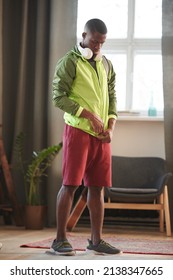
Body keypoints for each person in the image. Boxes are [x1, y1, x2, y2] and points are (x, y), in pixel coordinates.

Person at [50, 18, 121, 256]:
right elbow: (58, 97)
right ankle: (59, 240)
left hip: (101, 136)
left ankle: (96, 240)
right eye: (94, 41)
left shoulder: (107, 65)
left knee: (97, 187)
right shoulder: (69, 62)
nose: (98, 46)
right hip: (78, 132)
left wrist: (111, 127)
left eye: (102, 42)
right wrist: (88, 114)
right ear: (83, 36)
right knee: (70, 185)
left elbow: (112, 99)